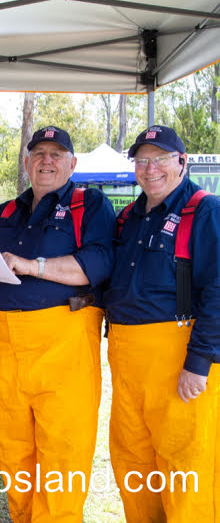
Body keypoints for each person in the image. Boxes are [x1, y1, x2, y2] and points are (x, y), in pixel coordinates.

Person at [0, 126, 116, 522]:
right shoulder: (9, 211)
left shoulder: (89, 204)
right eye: (39, 153)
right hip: (7, 344)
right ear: (27, 162)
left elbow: (97, 264)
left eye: (56, 154)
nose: (47, 160)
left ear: (72, 163)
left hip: (65, 342)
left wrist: (31, 266)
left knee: (62, 454)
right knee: (14, 451)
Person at [104, 125, 220, 522]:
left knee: (184, 466)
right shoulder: (128, 218)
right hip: (126, 361)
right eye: (142, 160)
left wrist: (199, 362)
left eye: (160, 159)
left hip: (178, 360)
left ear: (182, 162)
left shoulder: (205, 210)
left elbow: (218, 287)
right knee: (132, 460)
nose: (150, 169)